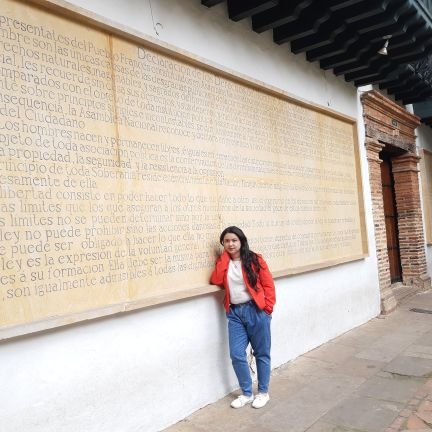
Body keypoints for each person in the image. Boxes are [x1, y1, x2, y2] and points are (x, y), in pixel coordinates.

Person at [210, 226, 276, 409]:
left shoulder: (255, 259)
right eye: (226, 241)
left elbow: (268, 285)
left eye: (234, 240)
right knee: (237, 354)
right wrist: (224, 257)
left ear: (241, 241)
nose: (230, 244)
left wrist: (267, 309)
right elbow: (215, 279)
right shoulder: (225, 262)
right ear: (223, 243)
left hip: (256, 311)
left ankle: (263, 392)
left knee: (261, 352)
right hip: (235, 313)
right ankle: (247, 393)